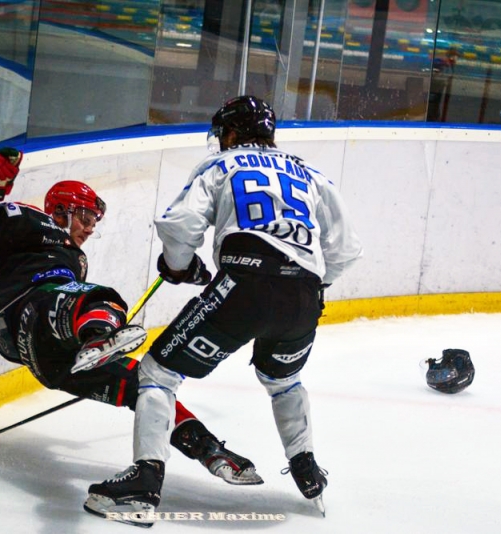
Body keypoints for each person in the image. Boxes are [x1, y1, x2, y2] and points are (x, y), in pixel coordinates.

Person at [82, 95, 363, 526]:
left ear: (231, 132)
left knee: (157, 372)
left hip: (245, 286)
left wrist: (178, 266)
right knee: (283, 379)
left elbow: (180, 226)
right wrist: (306, 285)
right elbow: (344, 251)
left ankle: (142, 485)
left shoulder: (220, 166)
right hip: (305, 296)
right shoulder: (312, 173)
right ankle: (306, 467)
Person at [0, 147, 263, 487]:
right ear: (59, 212)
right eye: (84, 218)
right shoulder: (31, 218)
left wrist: (195, 272)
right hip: (23, 308)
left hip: (52, 359)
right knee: (100, 300)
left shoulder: (74, 258)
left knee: (147, 386)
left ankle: (210, 451)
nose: (88, 229)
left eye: (92, 223)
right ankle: (98, 336)